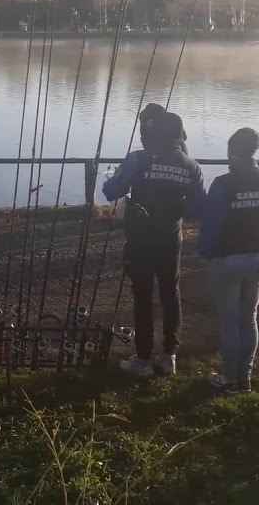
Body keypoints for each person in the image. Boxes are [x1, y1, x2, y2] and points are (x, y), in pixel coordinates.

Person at [101, 111, 205, 378]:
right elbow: (196, 209)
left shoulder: (139, 158)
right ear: (180, 135)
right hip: (172, 237)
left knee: (143, 297)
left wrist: (111, 178)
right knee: (171, 293)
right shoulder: (191, 166)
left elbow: (112, 191)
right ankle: (169, 354)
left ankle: (144, 358)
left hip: (140, 239)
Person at [198, 127, 259, 395]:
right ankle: (245, 377)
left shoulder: (223, 184)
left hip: (228, 259)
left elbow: (211, 224)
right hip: (258, 258)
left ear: (233, 151)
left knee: (229, 320)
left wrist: (206, 252)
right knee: (249, 318)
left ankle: (229, 378)